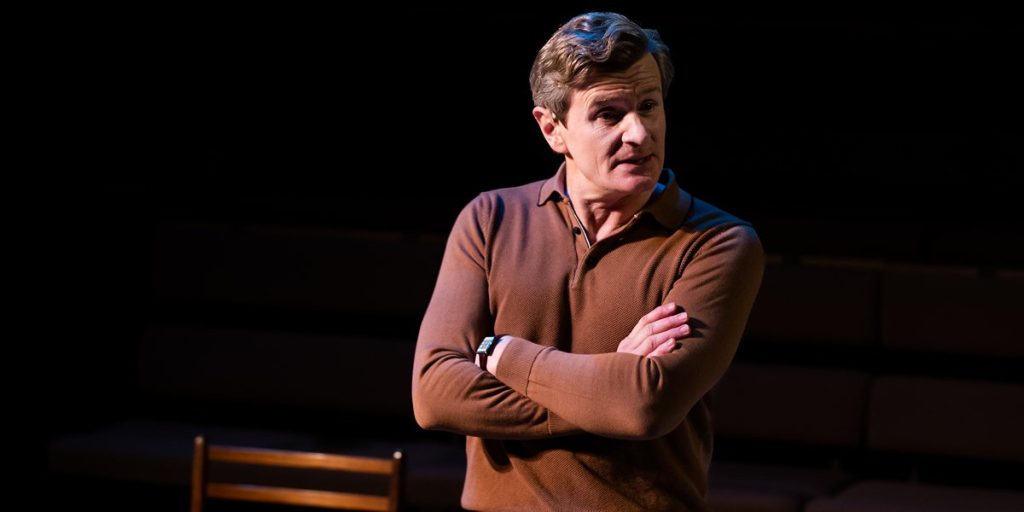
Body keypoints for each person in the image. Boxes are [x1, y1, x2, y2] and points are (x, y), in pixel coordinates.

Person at [412, 11, 764, 511]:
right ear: (552, 129)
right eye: (609, 115)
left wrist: (501, 354)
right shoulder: (489, 218)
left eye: (649, 106)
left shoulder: (718, 242)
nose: (639, 133)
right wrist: (606, 390)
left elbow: (645, 405)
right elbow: (434, 394)